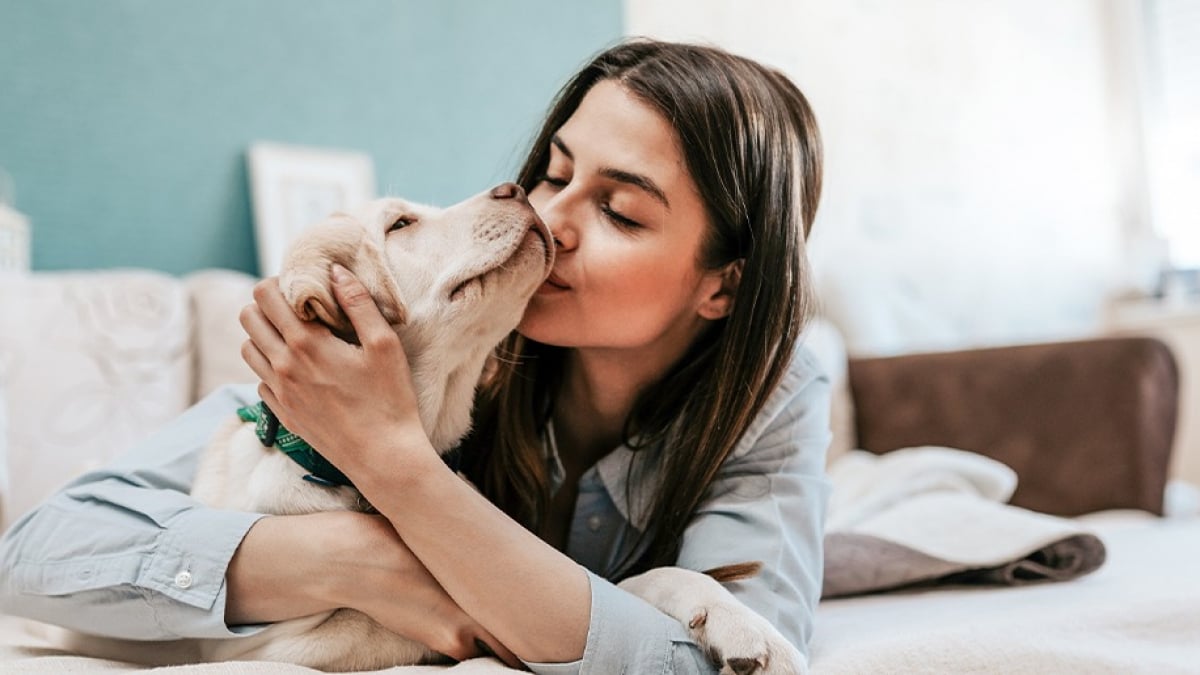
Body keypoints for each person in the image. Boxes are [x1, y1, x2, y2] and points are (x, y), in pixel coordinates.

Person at [0, 38, 831, 673]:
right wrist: (358, 559)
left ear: (724, 285)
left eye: (618, 209)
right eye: (553, 173)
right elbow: (35, 554)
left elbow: (723, 656)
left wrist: (398, 465)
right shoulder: (420, 344)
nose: (552, 217)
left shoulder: (774, 395)